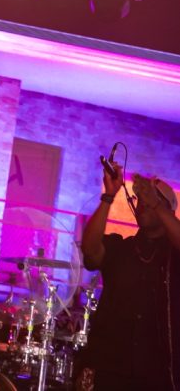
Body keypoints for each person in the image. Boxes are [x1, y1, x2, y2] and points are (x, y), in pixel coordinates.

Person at [80, 160, 180, 390]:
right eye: (141, 198)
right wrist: (108, 197)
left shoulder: (174, 257)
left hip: (157, 376)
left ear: (167, 209)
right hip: (109, 370)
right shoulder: (121, 248)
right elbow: (90, 250)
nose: (144, 202)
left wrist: (156, 204)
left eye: (152, 198)